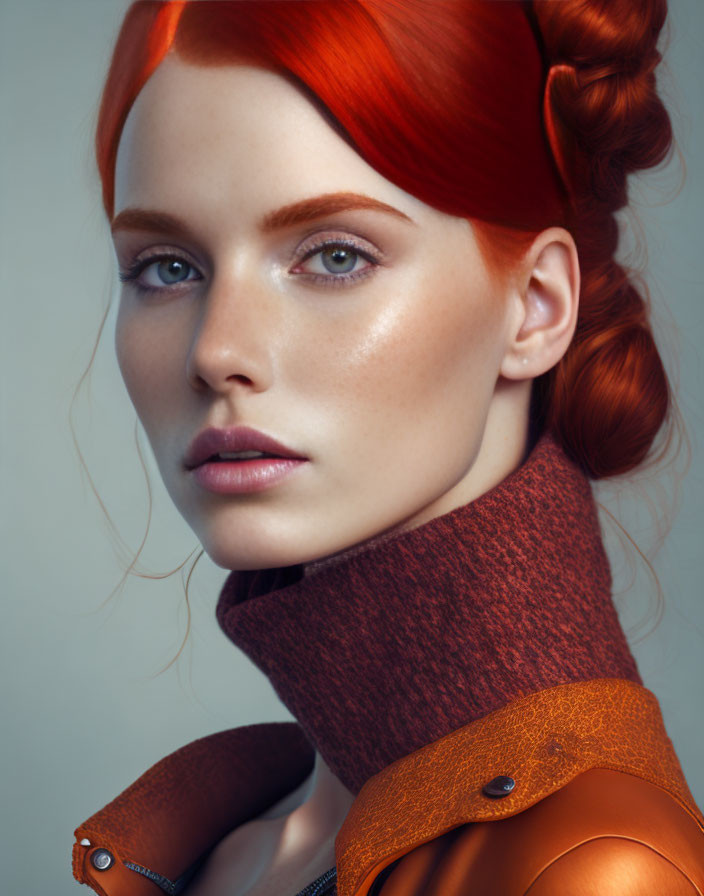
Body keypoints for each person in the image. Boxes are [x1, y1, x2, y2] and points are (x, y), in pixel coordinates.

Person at [71, 1, 704, 894]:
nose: (217, 351)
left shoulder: (593, 869)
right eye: (167, 267)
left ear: (536, 307)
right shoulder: (219, 841)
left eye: (334, 256)